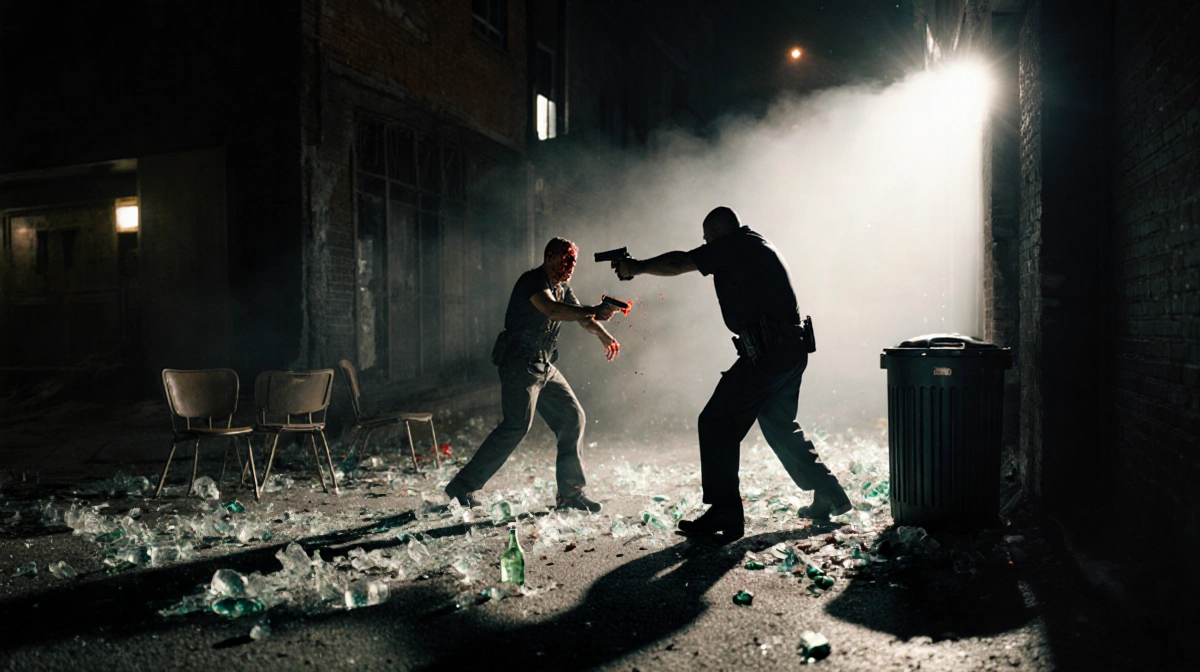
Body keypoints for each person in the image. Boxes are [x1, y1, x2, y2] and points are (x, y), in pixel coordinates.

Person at [612, 206, 851, 541]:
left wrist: (636, 268)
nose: (707, 245)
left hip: (771, 352)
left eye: (708, 238)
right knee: (780, 427)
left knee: (715, 422)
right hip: (787, 349)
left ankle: (725, 510)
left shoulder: (736, 243)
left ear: (721, 231)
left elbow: (681, 262)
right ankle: (829, 492)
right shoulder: (752, 244)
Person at [445, 237, 620, 513]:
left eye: (574, 262)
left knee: (573, 417)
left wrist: (603, 334)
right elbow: (552, 309)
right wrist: (593, 310)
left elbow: (582, 317)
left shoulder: (562, 288)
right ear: (549, 256)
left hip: (544, 364)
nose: (570, 266)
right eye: (566, 260)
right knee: (516, 425)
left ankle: (571, 494)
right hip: (519, 363)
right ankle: (462, 486)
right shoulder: (532, 281)